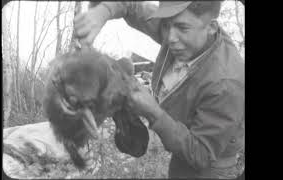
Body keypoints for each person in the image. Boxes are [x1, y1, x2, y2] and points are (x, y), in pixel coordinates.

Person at [74, 1, 244, 179]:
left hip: (211, 168)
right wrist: (102, 12)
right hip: (183, 147)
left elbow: (201, 155)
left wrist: (153, 112)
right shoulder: (181, 26)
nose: (170, 38)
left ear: (211, 27)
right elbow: (132, 6)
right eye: (166, 25)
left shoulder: (226, 83)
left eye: (182, 28)